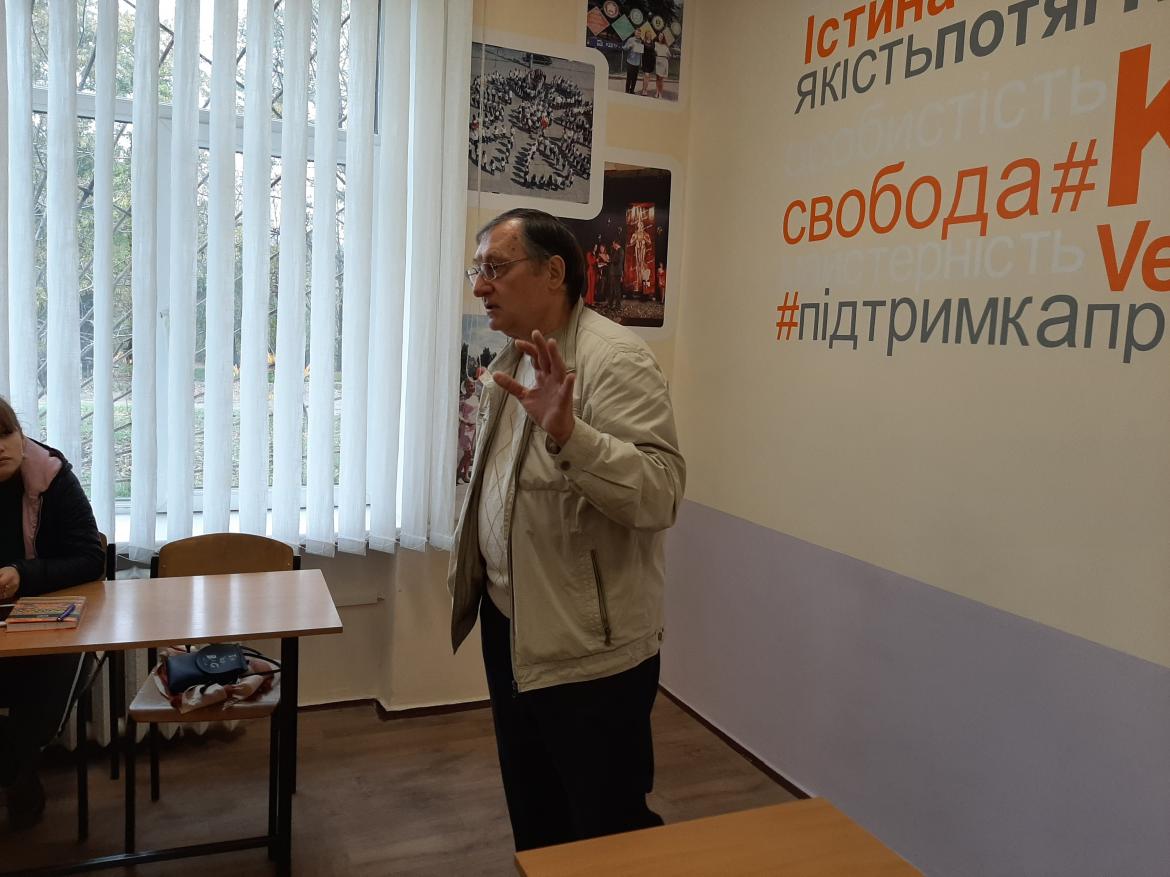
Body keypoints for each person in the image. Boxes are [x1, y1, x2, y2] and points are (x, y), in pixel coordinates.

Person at [451, 208, 685, 851]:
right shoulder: (514, 354)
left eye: (495, 268)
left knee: (606, 828)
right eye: (477, 270)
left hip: (591, 652)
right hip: (513, 624)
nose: (480, 286)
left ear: (554, 272)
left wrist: (571, 436)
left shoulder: (615, 361)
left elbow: (660, 493)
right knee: (535, 810)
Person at [0, 398, 104, 830]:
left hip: (51, 618)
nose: (0, 447)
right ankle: (17, 767)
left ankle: (15, 765)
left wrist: (23, 574)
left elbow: (91, 559)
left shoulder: (52, 478)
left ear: (21, 434)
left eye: (6, 434)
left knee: (50, 678)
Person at [639, 29, 656, 96]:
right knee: (646, 75)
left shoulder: (653, 42)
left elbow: (653, 52)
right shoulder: (643, 42)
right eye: (647, 33)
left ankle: (644, 89)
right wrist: (641, 62)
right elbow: (641, 52)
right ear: (646, 34)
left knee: (647, 77)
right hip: (645, 60)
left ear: (651, 35)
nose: (648, 35)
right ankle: (644, 90)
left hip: (651, 61)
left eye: (649, 33)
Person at [654, 34, 671, 99]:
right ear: (658, 37)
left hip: (664, 61)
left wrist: (665, 60)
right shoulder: (655, 44)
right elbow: (654, 51)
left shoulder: (665, 46)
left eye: (662, 36)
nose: (660, 37)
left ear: (663, 38)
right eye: (659, 36)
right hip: (658, 61)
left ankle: (660, 93)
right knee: (657, 78)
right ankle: (657, 92)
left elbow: (669, 55)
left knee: (661, 79)